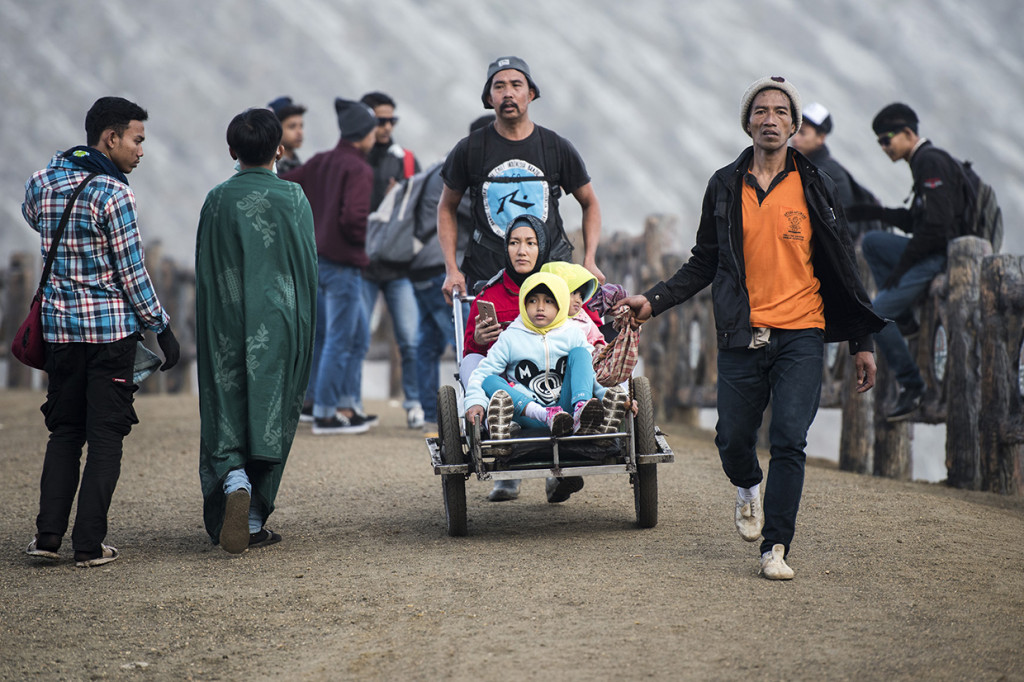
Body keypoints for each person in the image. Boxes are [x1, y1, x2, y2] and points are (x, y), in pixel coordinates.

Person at [621, 77, 884, 580]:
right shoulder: (724, 184)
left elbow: (843, 265)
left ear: (795, 124)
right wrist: (653, 301)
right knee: (733, 439)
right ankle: (747, 488)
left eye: (781, 112)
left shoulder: (816, 185)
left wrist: (862, 341)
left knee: (789, 438)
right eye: (761, 111)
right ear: (747, 123)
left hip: (802, 331)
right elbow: (704, 260)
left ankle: (775, 546)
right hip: (742, 334)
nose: (770, 120)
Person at [22, 96, 180, 568]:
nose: (141, 151)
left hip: (60, 333)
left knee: (65, 432)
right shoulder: (115, 193)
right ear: (110, 138)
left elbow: (34, 220)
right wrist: (160, 326)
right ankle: (89, 545)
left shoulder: (43, 182)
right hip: (109, 334)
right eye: (136, 140)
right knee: (106, 436)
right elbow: (132, 272)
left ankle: (47, 538)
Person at [195, 108, 317, 554]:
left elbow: (206, 269)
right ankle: (250, 518)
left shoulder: (216, 200)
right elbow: (307, 267)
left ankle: (234, 479)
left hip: (226, 321)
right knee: (272, 406)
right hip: (280, 322)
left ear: (232, 151)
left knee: (226, 400)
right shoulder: (294, 198)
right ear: (279, 150)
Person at [438, 55, 605, 303]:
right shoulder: (470, 149)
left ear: (531, 94)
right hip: (488, 277)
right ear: (489, 98)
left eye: (516, 85)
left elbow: (590, 202)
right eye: (499, 86)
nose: (508, 93)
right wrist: (452, 269)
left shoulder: (555, 147)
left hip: (549, 276)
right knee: (486, 331)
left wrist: (589, 260)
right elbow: (446, 207)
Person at [848, 103, 968, 422]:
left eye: (886, 139)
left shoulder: (929, 160)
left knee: (875, 315)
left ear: (907, 133)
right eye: (879, 142)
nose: (884, 147)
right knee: (873, 242)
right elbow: (920, 220)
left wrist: (900, 272)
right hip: (931, 250)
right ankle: (905, 319)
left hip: (941, 256)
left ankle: (913, 386)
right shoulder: (922, 162)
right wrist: (876, 213)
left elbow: (938, 227)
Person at [464, 272, 626, 503]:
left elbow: (594, 373)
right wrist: (475, 402)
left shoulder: (572, 333)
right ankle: (517, 421)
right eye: (532, 301)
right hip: (529, 414)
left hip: (566, 412)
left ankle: (582, 410)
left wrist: (613, 396)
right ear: (523, 304)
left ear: (560, 304)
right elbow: (481, 374)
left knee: (582, 354)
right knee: (490, 380)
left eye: (548, 301)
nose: (540, 307)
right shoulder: (510, 337)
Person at [281, 97, 377, 435]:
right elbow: (353, 218)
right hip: (344, 265)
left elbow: (285, 182)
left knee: (347, 335)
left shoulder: (321, 161)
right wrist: (364, 241)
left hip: (315, 262)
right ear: (363, 133)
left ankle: (337, 405)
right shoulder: (359, 169)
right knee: (340, 338)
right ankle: (325, 414)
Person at [411, 115, 492, 434]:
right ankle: (472, 412)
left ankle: (429, 411)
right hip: (443, 266)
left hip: (420, 264)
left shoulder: (438, 168)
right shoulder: (463, 172)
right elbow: (482, 212)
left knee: (428, 341)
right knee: (464, 340)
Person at [357, 92, 424, 428]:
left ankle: (414, 403)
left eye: (391, 120)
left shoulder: (406, 160)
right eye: (379, 120)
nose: (386, 127)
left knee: (410, 339)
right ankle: (350, 404)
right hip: (362, 266)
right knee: (356, 337)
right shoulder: (354, 160)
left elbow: (423, 208)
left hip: (399, 267)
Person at [790, 101, 882, 241]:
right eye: (795, 130)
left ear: (821, 138)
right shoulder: (809, 163)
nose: (795, 138)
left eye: (802, 133)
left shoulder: (824, 171)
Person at [541, 261, 606, 348]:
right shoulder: (543, 316)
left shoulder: (583, 318)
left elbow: (595, 336)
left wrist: (598, 345)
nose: (578, 300)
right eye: (573, 293)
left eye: (581, 296)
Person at [267, 96, 306, 175]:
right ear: (275, 130)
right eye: (292, 127)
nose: (300, 132)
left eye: (301, 126)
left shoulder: (300, 167)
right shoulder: (268, 170)